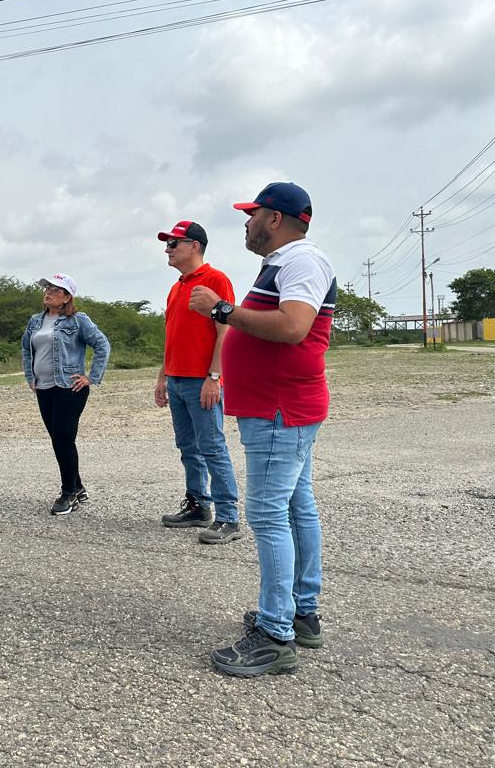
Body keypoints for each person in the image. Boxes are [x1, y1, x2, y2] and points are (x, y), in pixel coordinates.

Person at [188, 182, 336, 678]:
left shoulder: (301, 261)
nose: (246, 224)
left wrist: (222, 310)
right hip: (280, 407)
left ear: (274, 218)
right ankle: (301, 612)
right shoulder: (285, 264)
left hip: (279, 409)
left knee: (270, 516)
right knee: (297, 507)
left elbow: (294, 327)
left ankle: (276, 634)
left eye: (251, 215)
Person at [154, 221, 242, 544]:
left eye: (173, 243)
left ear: (194, 246)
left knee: (212, 446)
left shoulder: (216, 280)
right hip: (177, 380)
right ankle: (197, 505)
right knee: (187, 446)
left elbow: (225, 332)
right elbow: (171, 335)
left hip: (201, 381)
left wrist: (214, 377)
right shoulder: (176, 287)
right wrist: (163, 376)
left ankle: (229, 516)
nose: (168, 249)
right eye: (167, 243)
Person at [21, 273, 111, 516]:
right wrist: (30, 376)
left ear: (67, 297)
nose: (48, 291)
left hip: (69, 388)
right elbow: (26, 348)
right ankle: (78, 486)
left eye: (56, 289)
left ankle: (68, 493)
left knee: (63, 438)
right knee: (58, 439)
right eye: (47, 287)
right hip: (44, 387)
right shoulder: (35, 321)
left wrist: (91, 377)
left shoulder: (78, 320)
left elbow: (102, 345)